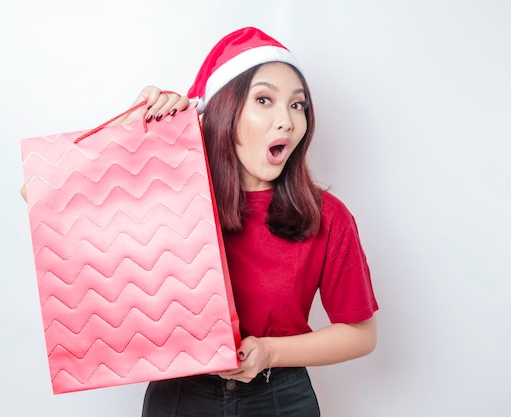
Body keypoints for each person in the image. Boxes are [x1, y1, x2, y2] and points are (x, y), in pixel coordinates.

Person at [22, 26, 378, 417]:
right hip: (179, 398)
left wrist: (270, 351)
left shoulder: (327, 216)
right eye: (264, 100)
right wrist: (132, 130)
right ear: (224, 108)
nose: (288, 122)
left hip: (279, 398)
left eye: (298, 105)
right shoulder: (170, 197)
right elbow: (42, 195)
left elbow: (361, 334)